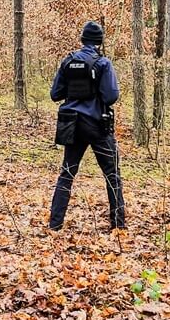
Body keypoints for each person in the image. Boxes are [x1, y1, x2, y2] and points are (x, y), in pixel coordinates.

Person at [48, 21, 125, 231]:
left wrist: (74, 90)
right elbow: (111, 96)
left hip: (71, 124)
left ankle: (55, 225)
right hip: (97, 124)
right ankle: (118, 226)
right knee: (112, 174)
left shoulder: (67, 62)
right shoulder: (103, 64)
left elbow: (55, 94)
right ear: (99, 42)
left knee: (67, 173)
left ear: (82, 39)